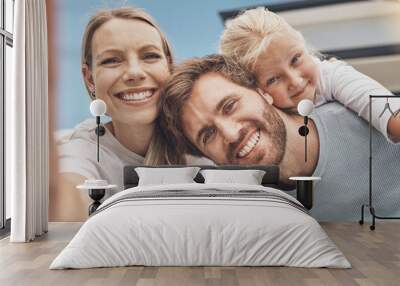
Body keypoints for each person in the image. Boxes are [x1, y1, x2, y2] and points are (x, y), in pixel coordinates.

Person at [159, 54, 400, 220]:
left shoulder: (366, 118)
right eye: (208, 134)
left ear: (263, 93)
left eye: (230, 105)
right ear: (207, 157)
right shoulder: (258, 217)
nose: (231, 134)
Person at [52, 7, 183, 221]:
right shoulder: (84, 149)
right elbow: (70, 193)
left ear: (168, 67)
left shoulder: (200, 137)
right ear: (90, 79)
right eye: (112, 60)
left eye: (150, 56)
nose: (134, 72)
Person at [219, 7, 400, 143]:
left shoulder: (330, 76)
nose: (295, 81)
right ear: (255, 90)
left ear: (304, 46)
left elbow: (388, 112)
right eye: (273, 79)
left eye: (296, 59)